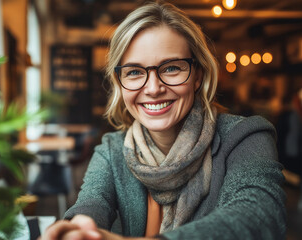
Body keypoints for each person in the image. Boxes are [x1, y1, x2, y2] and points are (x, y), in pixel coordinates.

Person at [42, 2, 286, 239]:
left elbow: (259, 216)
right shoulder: (113, 150)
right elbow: (93, 202)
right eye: (135, 72)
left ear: (198, 76)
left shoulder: (246, 138)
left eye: (171, 68)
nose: (154, 88)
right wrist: (79, 228)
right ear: (120, 83)